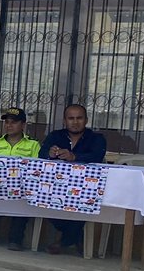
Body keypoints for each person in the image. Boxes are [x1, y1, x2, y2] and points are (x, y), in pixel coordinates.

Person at [39, 104, 107, 255]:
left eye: (79, 118)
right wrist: (49, 154)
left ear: (86, 120)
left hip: (87, 189)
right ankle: (76, 237)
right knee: (40, 199)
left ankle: (65, 241)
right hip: (57, 188)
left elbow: (97, 155)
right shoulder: (55, 136)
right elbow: (41, 154)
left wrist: (75, 157)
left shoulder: (96, 138)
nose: (75, 122)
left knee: (84, 204)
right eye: (71, 118)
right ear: (64, 121)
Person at [0, 106, 42, 250]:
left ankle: (15, 239)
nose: (9, 125)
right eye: (7, 122)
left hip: (21, 186)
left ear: (23, 125)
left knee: (26, 193)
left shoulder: (33, 144)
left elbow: (36, 169)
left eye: (14, 122)